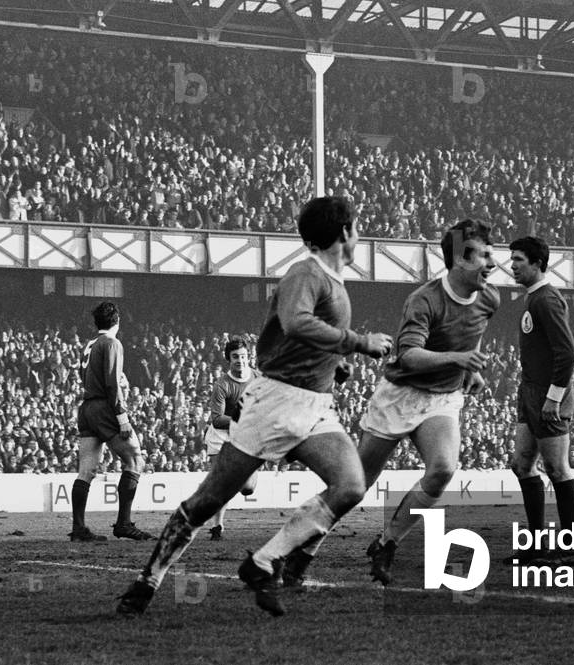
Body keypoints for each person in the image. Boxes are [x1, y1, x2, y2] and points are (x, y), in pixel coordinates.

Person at [117, 196, 392, 617]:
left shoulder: (333, 279)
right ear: (344, 233)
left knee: (351, 485)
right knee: (209, 500)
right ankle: (148, 579)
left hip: (315, 405)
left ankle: (263, 561)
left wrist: (333, 366)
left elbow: (299, 339)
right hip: (274, 402)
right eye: (357, 227)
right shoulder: (306, 273)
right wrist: (358, 343)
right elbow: (296, 322)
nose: (360, 234)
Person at [290, 219, 499, 588]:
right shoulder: (425, 299)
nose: (491, 264)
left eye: (491, 255)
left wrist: (471, 369)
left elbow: (473, 336)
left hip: (443, 399)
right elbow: (409, 356)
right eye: (483, 256)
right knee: (354, 485)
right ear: (458, 260)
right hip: (401, 396)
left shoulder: (489, 298)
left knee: (443, 469)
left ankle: (387, 544)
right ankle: (301, 553)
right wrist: (458, 359)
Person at [503, 236, 574, 564]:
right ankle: (536, 546)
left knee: (557, 468)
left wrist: (554, 398)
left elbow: (568, 352)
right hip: (530, 393)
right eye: (512, 259)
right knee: (522, 465)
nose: (513, 265)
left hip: (549, 396)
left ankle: (571, 546)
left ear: (537, 263)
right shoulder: (533, 298)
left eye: (519, 259)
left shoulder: (547, 300)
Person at [72, 301, 152, 542]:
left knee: (86, 469)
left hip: (86, 407)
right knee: (135, 460)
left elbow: (84, 375)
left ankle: (78, 528)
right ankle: (123, 524)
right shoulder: (112, 343)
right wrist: (122, 417)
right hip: (105, 407)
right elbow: (112, 383)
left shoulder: (90, 344)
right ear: (117, 321)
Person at [204, 338, 259, 543]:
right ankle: (217, 526)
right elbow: (217, 420)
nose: (240, 360)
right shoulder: (222, 385)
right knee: (221, 484)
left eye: (243, 356)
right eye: (235, 357)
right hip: (222, 436)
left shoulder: (257, 378)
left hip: (246, 437)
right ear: (229, 359)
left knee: (248, 488)